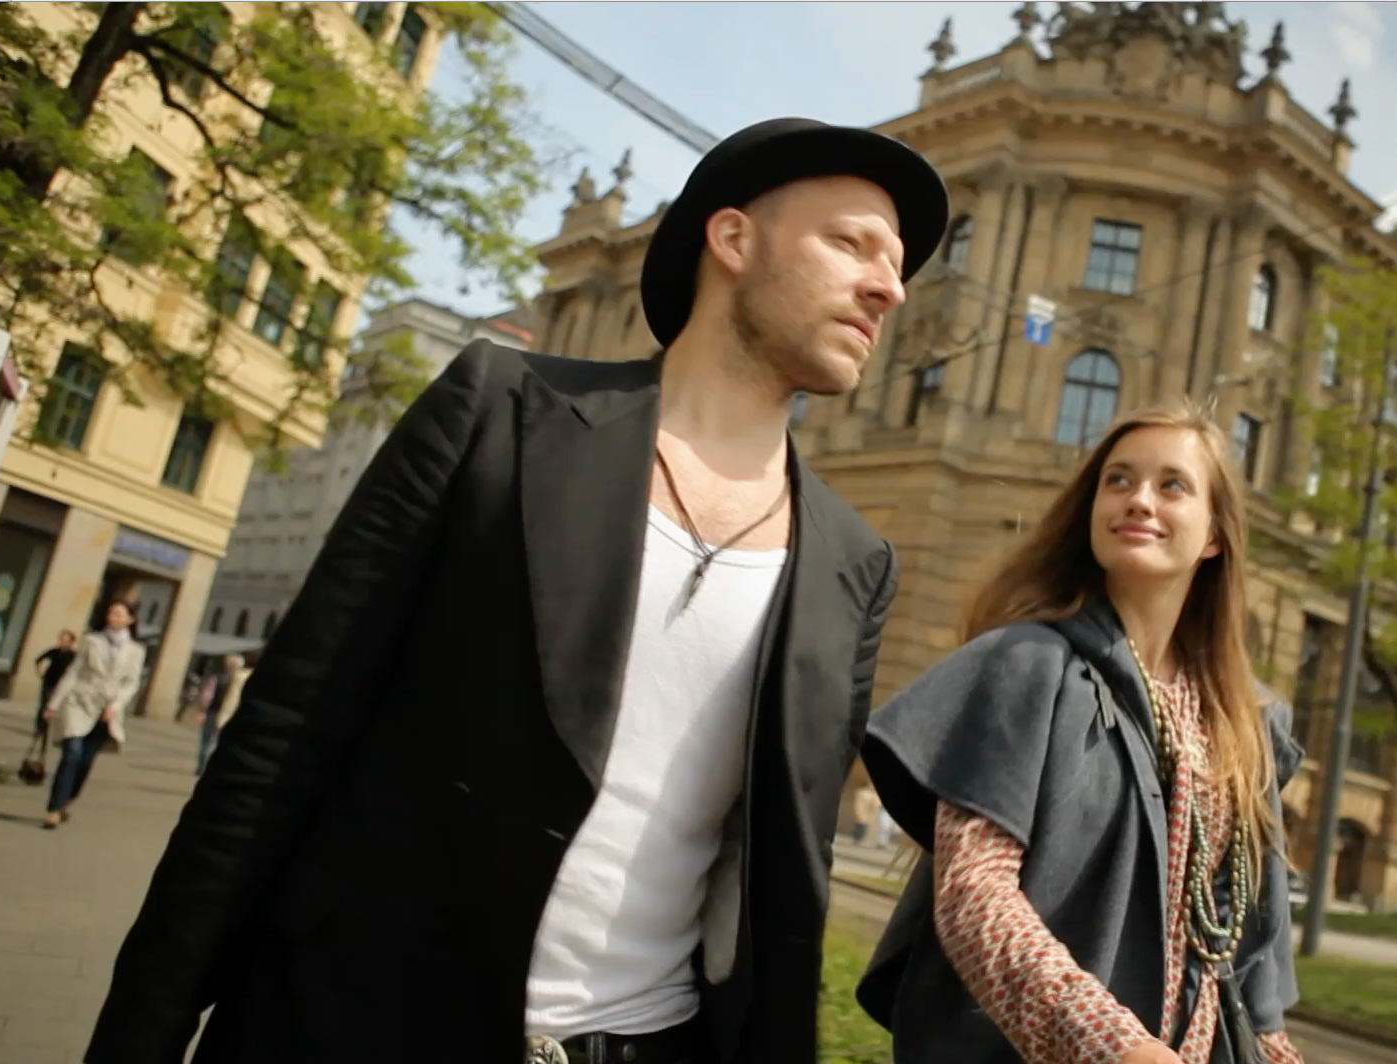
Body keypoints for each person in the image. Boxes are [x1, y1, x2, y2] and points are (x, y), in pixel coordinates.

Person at [86, 117, 947, 1064]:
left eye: (898, 264)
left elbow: (788, 879)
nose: (891, 287)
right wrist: (141, 1033)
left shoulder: (854, 560)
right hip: (360, 1020)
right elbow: (282, 740)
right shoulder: (500, 410)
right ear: (734, 238)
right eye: (851, 244)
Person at [855, 402, 1309, 1064]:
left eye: (1172, 485)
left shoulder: (1247, 720)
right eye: (1118, 480)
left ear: (1214, 534)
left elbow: (1250, 955)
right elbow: (974, 894)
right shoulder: (1025, 663)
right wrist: (1111, 1045)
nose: (1139, 499)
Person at [41, 603, 144, 831]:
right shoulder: (92, 641)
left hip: (106, 710)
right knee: (72, 753)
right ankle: (54, 809)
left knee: (85, 759)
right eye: (111, 613)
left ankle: (69, 798)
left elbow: (131, 683)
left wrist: (115, 705)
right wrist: (53, 703)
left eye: (119, 614)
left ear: (130, 619)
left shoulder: (135, 650)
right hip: (79, 701)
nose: (113, 617)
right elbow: (74, 672)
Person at [194, 654, 245, 776]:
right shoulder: (241, 682)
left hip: (212, 712)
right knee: (218, 741)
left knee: (206, 741)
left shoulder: (216, 678)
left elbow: (206, 696)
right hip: (228, 715)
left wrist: (202, 710)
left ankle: (201, 766)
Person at [30, 628, 76, 734]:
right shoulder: (54, 651)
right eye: (61, 640)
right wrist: (40, 673)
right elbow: (38, 660)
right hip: (49, 681)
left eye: (66, 640)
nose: (62, 642)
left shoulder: (73, 655)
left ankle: (51, 728)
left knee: (56, 706)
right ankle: (40, 728)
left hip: (61, 684)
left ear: (71, 642)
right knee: (44, 704)